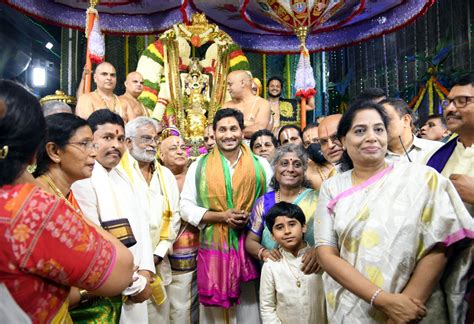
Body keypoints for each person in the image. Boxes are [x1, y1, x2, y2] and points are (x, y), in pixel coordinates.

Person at [315, 101, 473, 323]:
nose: (372, 137)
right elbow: (325, 252)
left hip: (415, 307)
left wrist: (404, 306)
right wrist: (383, 300)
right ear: (343, 140)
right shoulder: (332, 187)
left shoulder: (423, 178)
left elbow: (441, 242)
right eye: (360, 131)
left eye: (378, 129)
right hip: (353, 306)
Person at [0, 80, 134, 322]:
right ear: (44, 150)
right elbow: (121, 270)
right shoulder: (30, 206)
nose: (93, 152)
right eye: (85, 144)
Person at [180, 108, 273, 323]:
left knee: (249, 308)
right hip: (214, 248)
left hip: (251, 246)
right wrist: (222, 216)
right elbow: (185, 206)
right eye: (222, 129)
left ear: (242, 132)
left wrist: (251, 217)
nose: (228, 134)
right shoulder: (198, 166)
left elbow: (270, 203)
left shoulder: (261, 165)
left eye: (233, 129)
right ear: (214, 133)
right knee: (215, 317)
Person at [33, 113, 124, 322]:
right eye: (84, 144)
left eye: (93, 144)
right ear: (54, 151)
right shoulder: (41, 199)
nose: (93, 153)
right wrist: (88, 291)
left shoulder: (64, 193)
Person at [71, 109, 155, 323]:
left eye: (120, 139)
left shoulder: (126, 176)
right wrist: (134, 284)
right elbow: (96, 239)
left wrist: (146, 271)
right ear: (91, 141)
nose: (116, 145)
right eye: (107, 137)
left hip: (137, 281)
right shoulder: (83, 179)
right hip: (110, 287)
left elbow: (143, 227)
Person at [119, 117, 182, 323]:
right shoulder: (117, 173)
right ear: (128, 142)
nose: (153, 144)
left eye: (155, 139)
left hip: (159, 263)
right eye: (146, 138)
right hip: (128, 264)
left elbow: (175, 218)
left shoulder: (165, 175)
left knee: (159, 318)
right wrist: (139, 259)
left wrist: (156, 255)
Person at [259, 202, 326, 324]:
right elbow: (267, 307)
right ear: (272, 236)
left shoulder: (320, 258)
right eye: (279, 227)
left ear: (304, 227)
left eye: (292, 224)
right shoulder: (271, 265)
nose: (287, 231)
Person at [160, 134, 200, 323]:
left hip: (201, 252)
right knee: (177, 309)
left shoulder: (197, 176)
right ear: (161, 155)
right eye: (173, 148)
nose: (179, 150)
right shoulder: (158, 180)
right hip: (170, 255)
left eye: (182, 147)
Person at [380, 98, 442, 163]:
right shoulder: (372, 160)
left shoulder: (437, 150)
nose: (380, 125)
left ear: (406, 120)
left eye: (385, 119)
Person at [224, 70, 271, 140]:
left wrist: (232, 129)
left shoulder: (262, 103)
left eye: (230, 84)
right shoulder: (226, 105)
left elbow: (258, 129)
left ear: (242, 83)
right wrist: (249, 123)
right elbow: (221, 129)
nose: (227, 88)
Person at [317, 114, 343, 181]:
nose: (330, 145)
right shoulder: (332, 177)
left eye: (336, 137)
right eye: (324, 141)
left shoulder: (370, 168)